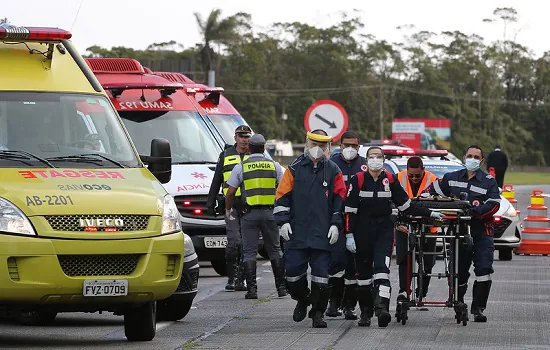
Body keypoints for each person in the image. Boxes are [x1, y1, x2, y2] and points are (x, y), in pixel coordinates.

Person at [344, 147, 443, 327]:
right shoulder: (357, 180)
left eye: (379, 157)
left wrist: (430, 213)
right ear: (366, 160)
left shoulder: (390, 180)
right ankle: (366, 312)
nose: (375, 160)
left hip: (383, 233)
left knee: (382, 271)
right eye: (372, 157)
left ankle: (382, 310)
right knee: (364, 278)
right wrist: (349, 234)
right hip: (361, 234)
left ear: (383, 159)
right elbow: (349, 210)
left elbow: (406, 206)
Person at [274, 129, 346, 328]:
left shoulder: (333, 170)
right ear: (307, 144)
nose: (317, 149)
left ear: (328, 147)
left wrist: (335, 225)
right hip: (297, 232)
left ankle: (317, 313)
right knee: (292, 274)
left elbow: (340, 200)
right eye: (314, 144)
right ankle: (302, 299)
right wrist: (283, 221)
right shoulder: (294, 168)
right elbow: (281, 197)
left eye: (322, 146)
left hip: (322, 234)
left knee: (321, 276)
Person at [430, 145, 500, 322]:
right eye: (470, 156)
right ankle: (458, 302)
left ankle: (478, 309)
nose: (473, 159)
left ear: (482, 161)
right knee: (458, 270)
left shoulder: (489, 181)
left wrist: (471, 213)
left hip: (481, 231)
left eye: (477, 157)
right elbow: (431, 193)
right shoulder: (451, 178)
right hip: (458, 232)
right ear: (463, 157)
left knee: (484, 268)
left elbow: (494, 205)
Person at [224, 134, 286, 299]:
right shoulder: (275, 166)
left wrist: (228, 209)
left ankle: (252, 290)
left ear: (250, 148)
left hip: (248, 215)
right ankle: (281, 288)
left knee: (249, 252)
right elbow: (285, 188)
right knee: (275, 250)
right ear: (264, 148)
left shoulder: (241, 167)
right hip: (270, 214)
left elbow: (230, 192)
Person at [326, 130, 366, 320]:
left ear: (359, 147)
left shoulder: (365, 165)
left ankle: (350, 305)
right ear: (340, 145)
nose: (350, 149)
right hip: (336, 219)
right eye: (346, 145)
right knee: (336, 262)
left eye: (354, 146)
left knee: (353, 266)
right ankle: (333, 302)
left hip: (358, 221)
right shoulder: (331, 164)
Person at [207, 125, 252, 292]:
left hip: (249, 207)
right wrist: (210, 204)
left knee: (246, 244)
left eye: (247, 136)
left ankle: (242, 279)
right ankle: (232, 277)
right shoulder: (225, 155)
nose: (244, 139)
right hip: (231, 206)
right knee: (234, 242)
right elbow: (216, 180)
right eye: (241, 136)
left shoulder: (254, 155)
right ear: (235, 138)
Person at [394, 156, 438, 315]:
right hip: (404, 226)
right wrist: (398, 223)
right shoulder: (398, 178)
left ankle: (422, 290)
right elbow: (392, 202)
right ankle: (404, 291)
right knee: (403, 260)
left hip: (428, 227)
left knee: (427, 262)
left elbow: (439, 201)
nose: (413, 178)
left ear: (423, 170)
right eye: (410, 175)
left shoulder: (433, 180)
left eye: (417, 176)